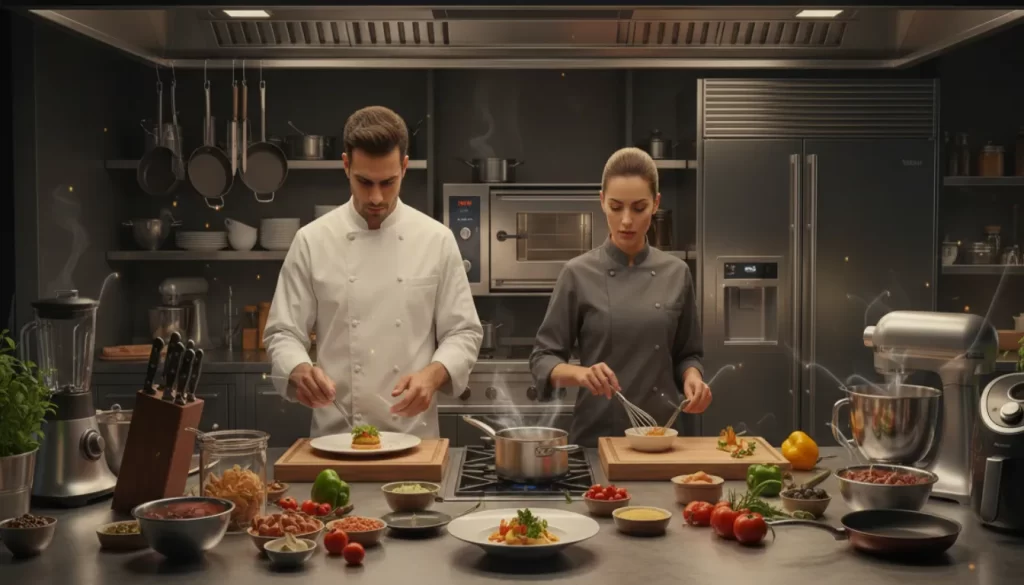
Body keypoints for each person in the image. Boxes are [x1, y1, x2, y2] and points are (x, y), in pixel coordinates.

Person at [264, 105, 483, 439]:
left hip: (415, 437)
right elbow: (282, 332)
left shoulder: (436, 239)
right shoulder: (312, 240)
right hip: (336, 436)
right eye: (364, 182)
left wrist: (434, 374)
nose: (376, 197)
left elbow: (463, 332)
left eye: (388, 182)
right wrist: (299, 369)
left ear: (405, 168)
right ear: (346, 165)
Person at [529, 147, 712, 447]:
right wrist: (582, 374)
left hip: (663, 439)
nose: (626, 220)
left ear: (656, 204)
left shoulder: (677, 273)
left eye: (639, 208)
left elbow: (687, 354)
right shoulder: (577, 273)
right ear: (602, 201)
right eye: (616, 207)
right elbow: (542, 360)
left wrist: (693, 378)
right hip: (597, 439)